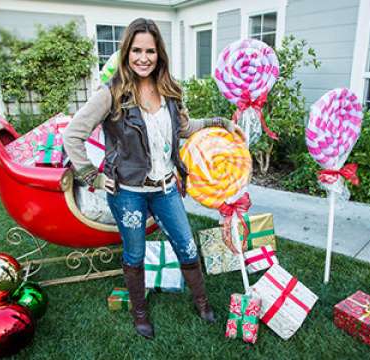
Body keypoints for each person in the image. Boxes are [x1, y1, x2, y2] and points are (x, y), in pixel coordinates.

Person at [63, 18, 244, 339]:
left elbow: (184, 129)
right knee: (134, 254)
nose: (143, 58)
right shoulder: (111, 94)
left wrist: (221, 123)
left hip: (166, 189)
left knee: (187, 247)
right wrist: (92, 176)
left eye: (150, 51)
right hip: (128, 193)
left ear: (159, 53)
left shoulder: (170, 91)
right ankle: (140, 313)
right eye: (136, 51)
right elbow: (73, 134)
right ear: (126, 52)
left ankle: (202, 302)